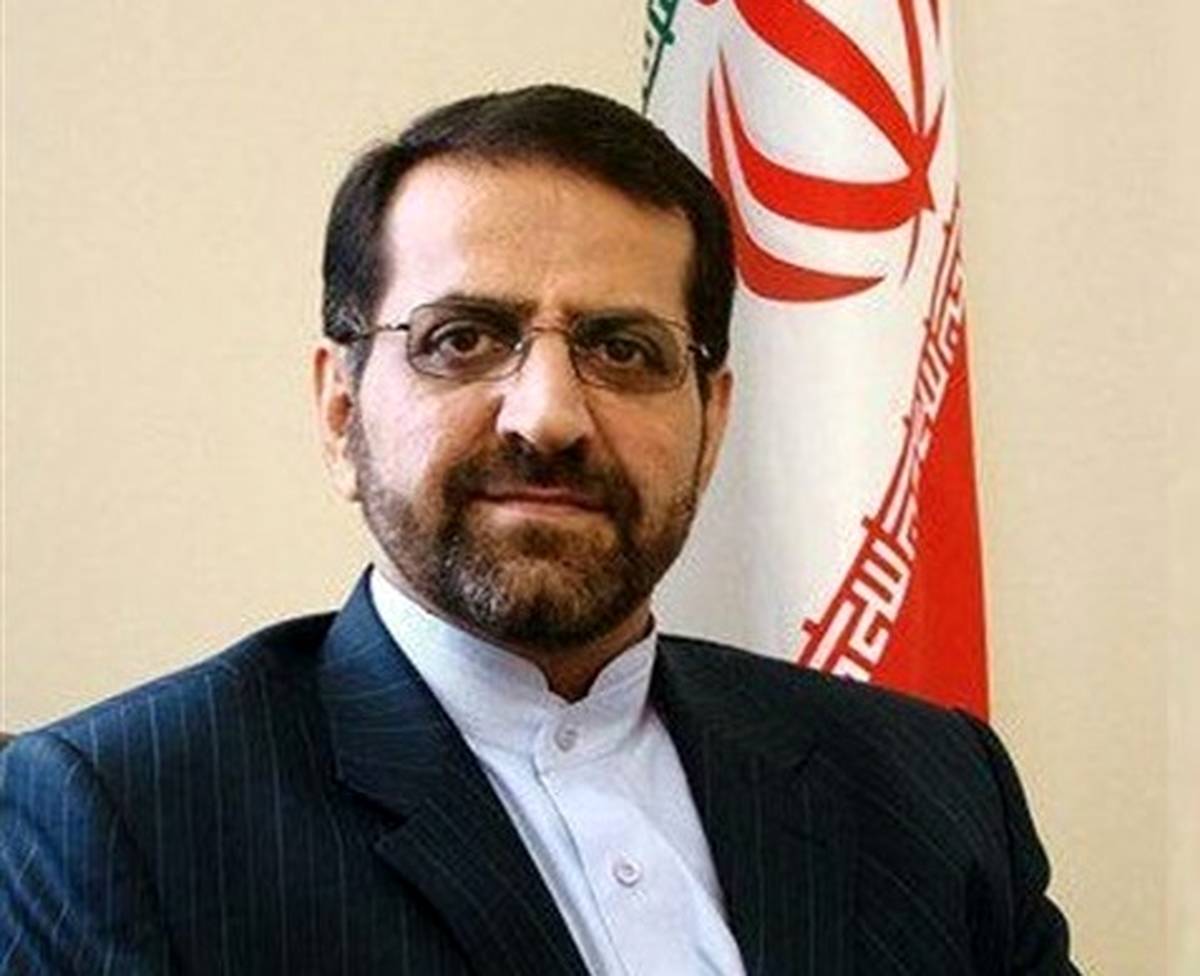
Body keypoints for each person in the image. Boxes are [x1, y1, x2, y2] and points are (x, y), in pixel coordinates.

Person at [0, 85, 1078, 975]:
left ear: (712, 424)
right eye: (462, 338)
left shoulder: (931, 785)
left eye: (624, 350)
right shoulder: (124, 816)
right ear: (340, 412)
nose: (549, 416)